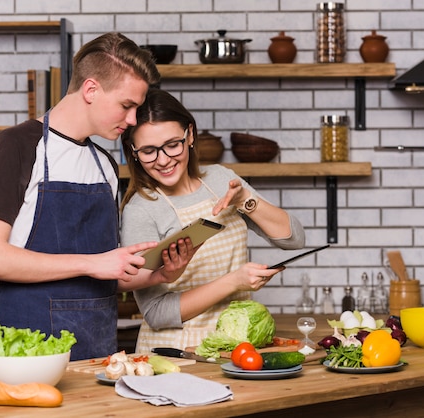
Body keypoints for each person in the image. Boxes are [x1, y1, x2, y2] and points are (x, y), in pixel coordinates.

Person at [0, 33, 197, 361]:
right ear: (91, 89)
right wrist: (95, 262)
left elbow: (100, 275)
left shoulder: (104, 164)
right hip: (26, 348)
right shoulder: (15, 147)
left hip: (98, 348)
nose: (133, 120)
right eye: (127, 105)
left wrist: (160, 274)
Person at [120, 88, 306, 353]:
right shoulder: (141, 210)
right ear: (134, 152)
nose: (163, 160)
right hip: (177, 354)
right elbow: (156, 313)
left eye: (173, 144)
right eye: (149, 151)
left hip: (237, 347)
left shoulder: (220, 179)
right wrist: (234, 282)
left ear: (190, 135)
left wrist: (245, 201)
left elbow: (295, 239)